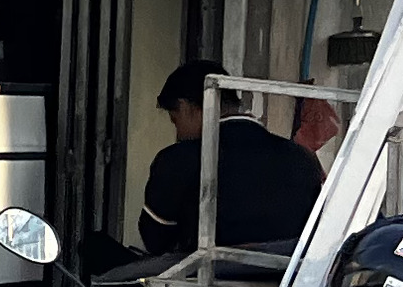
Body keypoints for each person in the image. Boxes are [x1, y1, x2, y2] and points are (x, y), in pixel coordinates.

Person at [138, 54, 323, 256]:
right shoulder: (302, 158)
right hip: (285, 280)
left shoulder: (178, 159)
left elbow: (156, 240)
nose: (178, 134)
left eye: (175, 120)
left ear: (186, 107)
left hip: (200, 279)